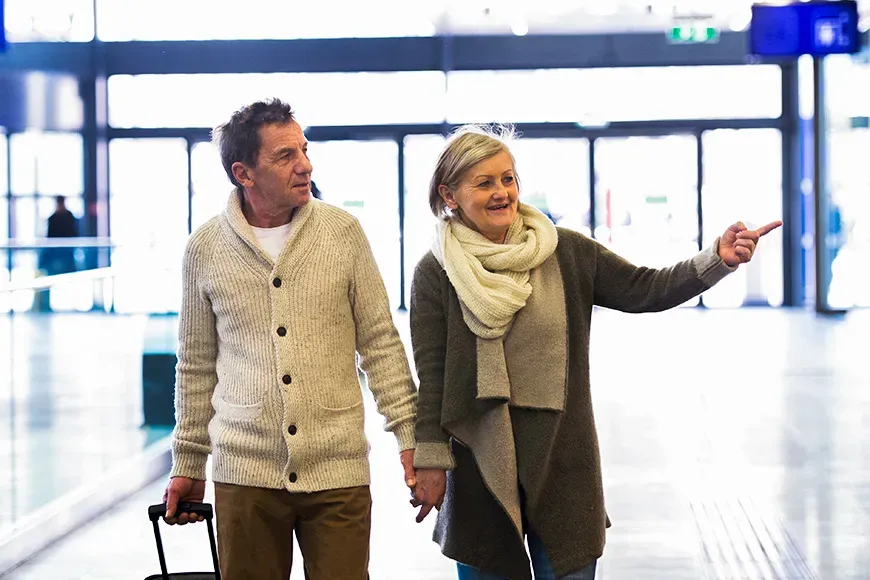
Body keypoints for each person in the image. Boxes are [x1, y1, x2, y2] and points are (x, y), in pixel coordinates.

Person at [408, 125, 781, 580]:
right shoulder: (436, 270)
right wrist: (429, 459)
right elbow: (433, 375)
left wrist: (716, 259)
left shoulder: (565, 252)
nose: (501, 192)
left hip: (563, 455)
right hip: (479, 463)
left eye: (508, 179)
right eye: (484, 183)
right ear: (449, 194)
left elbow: (645, 288)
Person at [161, 98, 418, 580]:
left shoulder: (343, 233)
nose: (305, 164)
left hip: (337, 470)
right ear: (244, 173)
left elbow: (380, 344)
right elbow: (196, 365)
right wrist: (188, 460)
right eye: (285, 156)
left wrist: (411, 437)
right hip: (245, 476)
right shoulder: (205, 248)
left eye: (304, 148)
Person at [36, 195, 80, 311]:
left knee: (67, 280)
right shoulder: (56, 218)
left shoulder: (65, 217)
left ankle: (73, 304)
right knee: (50, 280)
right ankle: (46, 306)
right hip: (56, 255)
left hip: (65, 254)